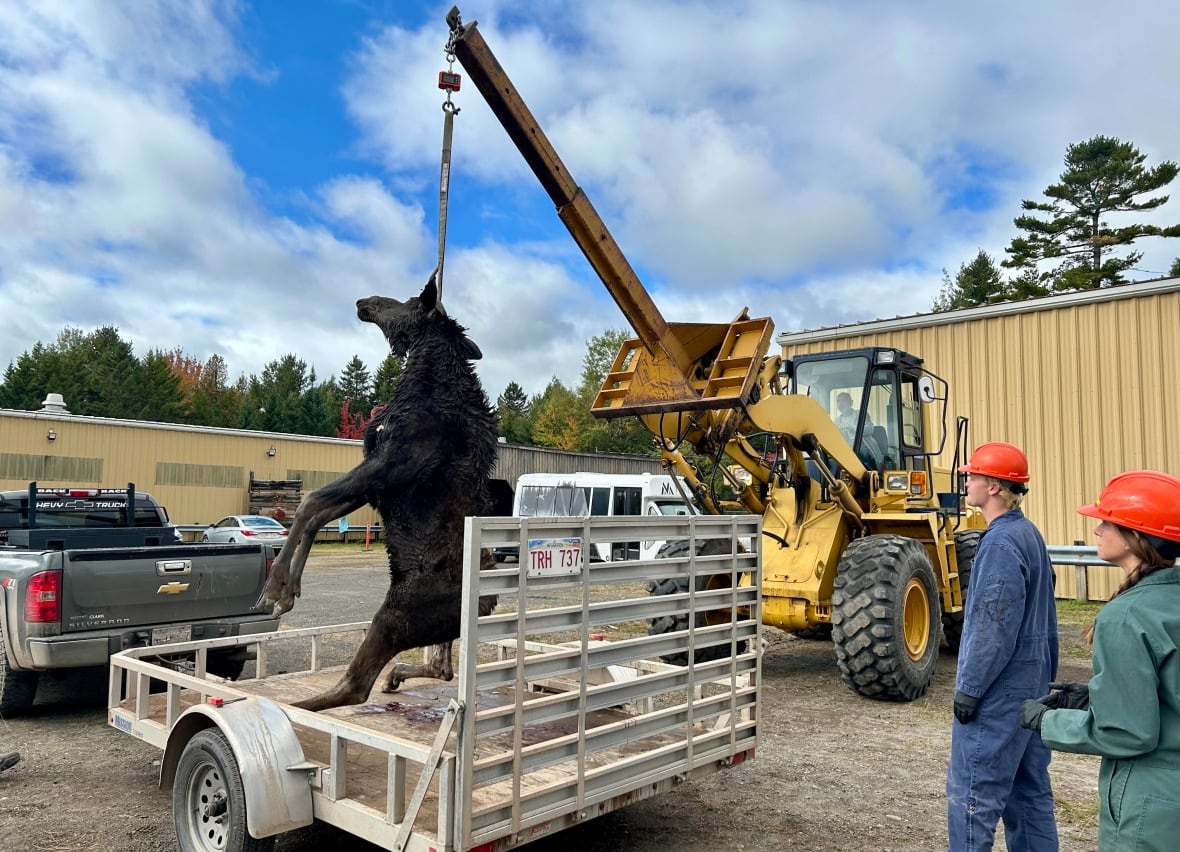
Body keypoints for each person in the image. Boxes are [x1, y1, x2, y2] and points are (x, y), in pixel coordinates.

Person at [1019, 470, 1180, 851]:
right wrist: (1095, 697)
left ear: (1136, 537)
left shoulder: (1126, 615)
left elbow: (1128, 732)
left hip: (1152, 806)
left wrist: (1048, 721)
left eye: (1107, 521)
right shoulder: (1168, 603)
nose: (1097, 530)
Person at [947, 441, 1059, 851]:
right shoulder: (1029, 534)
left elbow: (993, 626)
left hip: (999, 695)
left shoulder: (997, 543)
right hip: (1032, 689)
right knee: (1029, 795)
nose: (967, 482)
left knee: (973, 800)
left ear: (993, 487)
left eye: (972, 476)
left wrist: (969, 689)